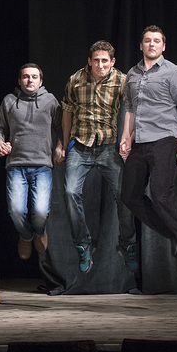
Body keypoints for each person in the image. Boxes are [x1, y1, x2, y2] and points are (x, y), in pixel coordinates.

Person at [119, 25, 177, 262]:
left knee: (161, 194)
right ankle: (172, 232)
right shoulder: (132, 74)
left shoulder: (174, 73)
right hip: (140, 140)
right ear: (141, 46)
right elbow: (130, 108)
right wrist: (126, 137)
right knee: (129, 196)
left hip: (165, 138)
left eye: (156, 41)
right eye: (147, 41)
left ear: (163, 46)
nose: (152, 44)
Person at [62, 40, 136, 274]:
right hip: (80, 145)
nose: (100, 65)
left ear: (112, 62)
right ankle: (83, 244)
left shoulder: (122, 80)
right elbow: (67, 112)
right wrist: (65, 144)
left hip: (108, 146)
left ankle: (127, 243)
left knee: (125, 195)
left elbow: (133, 110)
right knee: (70, 192)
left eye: (105, 61)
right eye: (96, 60)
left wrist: (128, 137)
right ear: (89, 61)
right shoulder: (76, 79)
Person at [0, 64, 64, 264]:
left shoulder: (50, 100)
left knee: (40, 212)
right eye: (25, 76)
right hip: (16, 165)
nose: (30, 80)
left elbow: (61, 127)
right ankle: (25, 236)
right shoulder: (9, 100)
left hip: (42, 165)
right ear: (19, 80)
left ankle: (39, 232)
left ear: (40, 81)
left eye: (34, 77)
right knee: (16, 211)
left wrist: (60, 146)